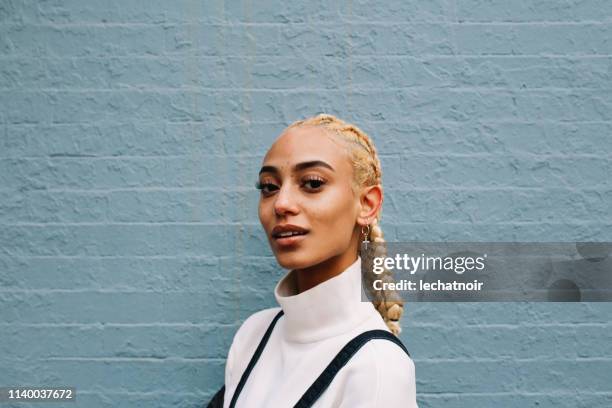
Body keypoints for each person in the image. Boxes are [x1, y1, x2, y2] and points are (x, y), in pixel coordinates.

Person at [221, 114, 418, 407]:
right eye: (269, 187)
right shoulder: (253, 334)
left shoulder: (378, 368)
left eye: (312, 183)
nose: (281, 203)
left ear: (367, 204)